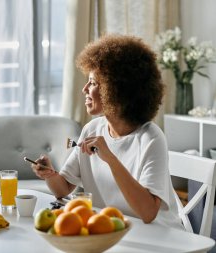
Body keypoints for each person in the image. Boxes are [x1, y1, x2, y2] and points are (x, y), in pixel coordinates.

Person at [32, 34, 184, 229]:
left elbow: (148, 213)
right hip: (113, 234)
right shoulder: (92, 129)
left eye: (93, 83)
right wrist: (49, 174)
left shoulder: (151, 138)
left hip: (160, 237)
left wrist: (110, 158)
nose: (85, 89)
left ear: (117, 90)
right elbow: (62, 189)